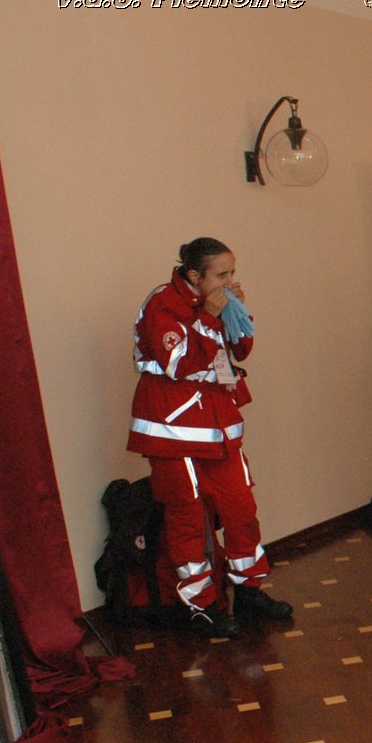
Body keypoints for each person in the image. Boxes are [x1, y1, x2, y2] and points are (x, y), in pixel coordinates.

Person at [127, 238, 293, 639]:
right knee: (187, 522)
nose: (229, 281)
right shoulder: (162, 304)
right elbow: (179, 362)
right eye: (222, 274)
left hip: (219, 430)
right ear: (195, 275)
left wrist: (232, 312)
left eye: (232, 272)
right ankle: (200, 606)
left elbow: (243, 348)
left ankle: (249, 590)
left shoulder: (215, 304)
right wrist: (208, 317)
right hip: (175, 434)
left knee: (241, 509)